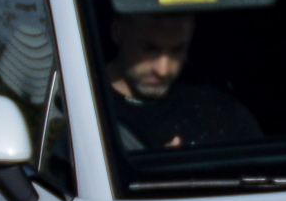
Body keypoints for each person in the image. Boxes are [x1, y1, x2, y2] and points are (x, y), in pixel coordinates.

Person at [102, 10, 260, 150]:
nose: (162, 70)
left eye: (176, 50)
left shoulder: (222, 113)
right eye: (148, 49)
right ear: (116, 30)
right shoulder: (88, 109)